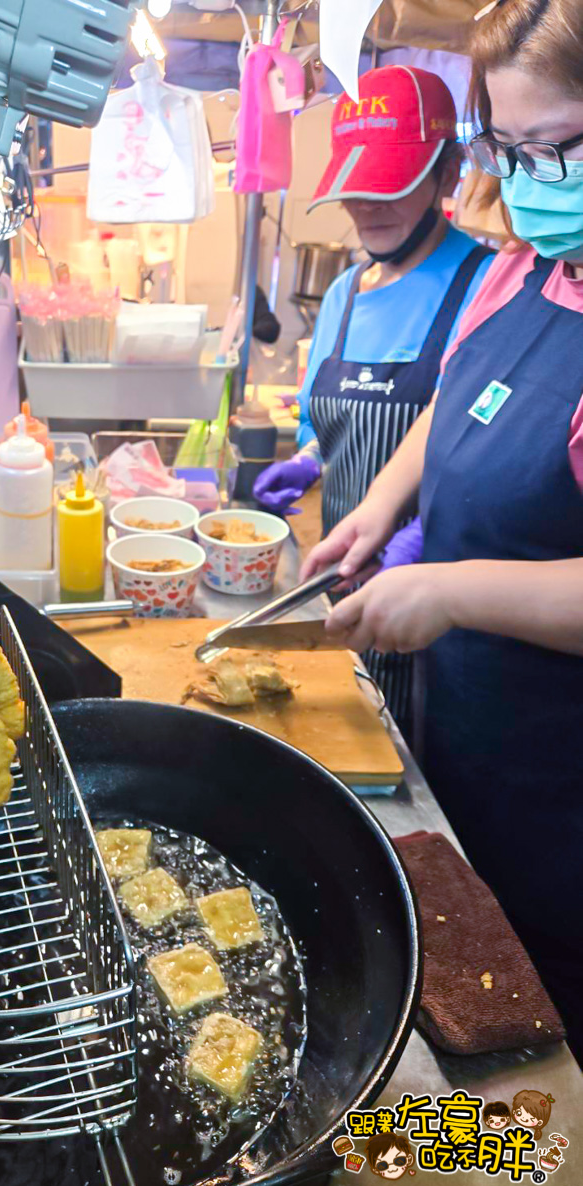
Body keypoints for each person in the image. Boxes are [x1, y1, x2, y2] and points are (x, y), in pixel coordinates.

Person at [302, 0, 583, 1059]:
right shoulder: (522, 267)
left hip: (563, 794)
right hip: (466, 741)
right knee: (458, 1028)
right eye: (510, 152)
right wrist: (379, 511)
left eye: (559, 150)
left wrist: (450, 588)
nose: (533, 183)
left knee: (536, 1089)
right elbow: (453, 396)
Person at [255, 66, 492, 731]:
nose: (369, 208)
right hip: (339, 582)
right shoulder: (343, 294)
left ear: (449, 175)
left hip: (431, 614)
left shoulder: (485, 287)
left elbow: (480, 448)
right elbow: (322, 422)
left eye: (393, 185)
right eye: (357, 189)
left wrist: (422, 529)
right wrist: (307, 459)